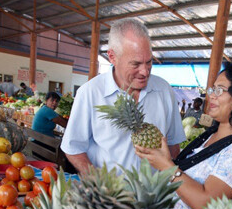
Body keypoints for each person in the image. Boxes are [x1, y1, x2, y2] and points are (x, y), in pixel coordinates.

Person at [136, 63, 232, 209]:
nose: (211, 95)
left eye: (219, 90)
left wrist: (166, 166)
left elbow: (206, 203)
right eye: (212, 90)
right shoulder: (209, 136)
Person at [61, 18, 185, 174]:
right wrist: (97, 180)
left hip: (153, 194)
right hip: (110, 194)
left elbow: (173, 146)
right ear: (112, 57)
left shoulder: (164, 90)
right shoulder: (90, 93)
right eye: (136, 64)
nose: (145, 72)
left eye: (149, 62)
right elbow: (73, 147)